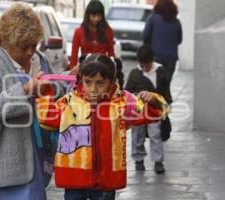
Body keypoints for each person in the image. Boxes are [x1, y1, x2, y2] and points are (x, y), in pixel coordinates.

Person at [35, 54, 169, 200]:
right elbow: (46, 117)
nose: (93, 89)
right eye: (88, 82)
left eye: (100, 83)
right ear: (81, 79)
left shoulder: (123, 103)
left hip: (105, 182)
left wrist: (153, 101)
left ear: (111, 82)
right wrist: (44, 91)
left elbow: (156, 113)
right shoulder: (69, 102)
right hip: (73, 178)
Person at [0, 3, 61, 199]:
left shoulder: (39, 60)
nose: (29, 52)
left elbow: (54, 89)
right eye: (23, 46)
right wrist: (26, 90)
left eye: (33, 45)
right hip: (1, 165)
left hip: (34, 157)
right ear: (5, 41)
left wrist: (69, 78)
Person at [125, 44, 172, 174]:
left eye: (148, 64)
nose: (145, 67)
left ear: (153, 59)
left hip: (154, 110)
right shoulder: (135, 73)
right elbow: (127, 92)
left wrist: (166, 106)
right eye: (143, 65)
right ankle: (138, 160)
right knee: (137, 135)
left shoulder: (160, 71)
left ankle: (158, 162)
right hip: (138, 111)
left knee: (155, 135)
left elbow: (165, 90)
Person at [143, 0, 182, 83]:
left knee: (155, 84)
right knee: (166, 85)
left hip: (155, 55)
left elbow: (145, 36)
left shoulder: (152, 18)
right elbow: (179, 40)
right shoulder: (176, 22)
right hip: (171, 57)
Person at [69, 0, 115, 69]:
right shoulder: (79, 32)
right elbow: (74, 56)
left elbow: (111, 54)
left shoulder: (108, 31)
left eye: (99, 16)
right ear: (88, 15)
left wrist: (114, 70)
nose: (96, 18)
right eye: (93, 16)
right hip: (85, 69)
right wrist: (72, 72)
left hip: (103, 69)